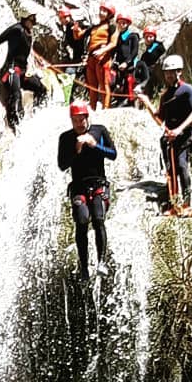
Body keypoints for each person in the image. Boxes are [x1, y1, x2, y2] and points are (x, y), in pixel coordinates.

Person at [57, 102, 118, 277]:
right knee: (82, 220)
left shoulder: (99, 131)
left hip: (98, 183)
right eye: (75, 120)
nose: (79, 124)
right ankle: (84, 267)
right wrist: (76, 150)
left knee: (98, 218)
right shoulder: (66, 138)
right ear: (71, 120)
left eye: (81, 119)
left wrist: (94, 145)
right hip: (78, 186)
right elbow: (62, 165)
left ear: (87, 117)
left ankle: (101, 262)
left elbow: (113, 154)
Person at [136, 54, 192, 216]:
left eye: (172, 72)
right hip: (169, 138)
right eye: (167, 72)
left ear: (179, 72)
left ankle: (187, 205)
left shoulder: (187, 90)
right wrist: (147, 103)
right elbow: (160, 118)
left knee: (182, 166)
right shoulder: (165, 95)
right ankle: (174, 205)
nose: (169, 75)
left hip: (183, 135)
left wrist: (178, 130)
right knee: (170, 171)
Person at [0, 11, 47, 131]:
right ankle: (17, 127)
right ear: (26, 18)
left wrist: (37, 59)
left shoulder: (28, 32)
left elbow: (25, 48)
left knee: (42, 90)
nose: (34, 21)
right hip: (11, 70)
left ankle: (36, 116)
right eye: (32, 18)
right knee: (16, 96)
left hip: (23, 71)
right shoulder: (17, 29)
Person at [84, 2, 117, 110]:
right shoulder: (95, 27)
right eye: (101, 10)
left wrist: (102, 50)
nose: (101, 13)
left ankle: (105, 109)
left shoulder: (112, 26)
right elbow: (79, 36)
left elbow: (113, 43)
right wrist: (75, 30)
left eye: (104, 11)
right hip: (91, 58)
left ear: (109, 14)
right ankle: (92, 108)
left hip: (103, 58)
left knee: (104, 85)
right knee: (92, 86)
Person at [57, 6, 88, 99]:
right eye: (63, 18)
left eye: (66, 17)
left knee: (72, 75)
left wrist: (86, 54)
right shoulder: (67, 29)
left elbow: (87, 32)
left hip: (83, 57)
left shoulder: (76, 25)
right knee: (72, 75)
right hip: (76, 57)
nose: (65, 20)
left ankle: (75, 97)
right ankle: (73, 97)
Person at [110, 13, 140, 106]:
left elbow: (135, 51)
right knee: (113, 81)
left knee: (129, 83)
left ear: (128, 24)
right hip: (118, 64)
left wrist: (127, 63)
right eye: (120, 23)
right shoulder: (116, 37)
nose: (122, 25)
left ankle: (131, 103)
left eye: (124, 23)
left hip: (129, 65)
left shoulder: (133, 36)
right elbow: (114, 50)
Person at [137, 26, 165, 98]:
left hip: (157, 72)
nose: (148, 39)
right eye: (146, 37)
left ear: (154, 37)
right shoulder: (145, 53)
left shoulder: (159, 47)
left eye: (150, 37)